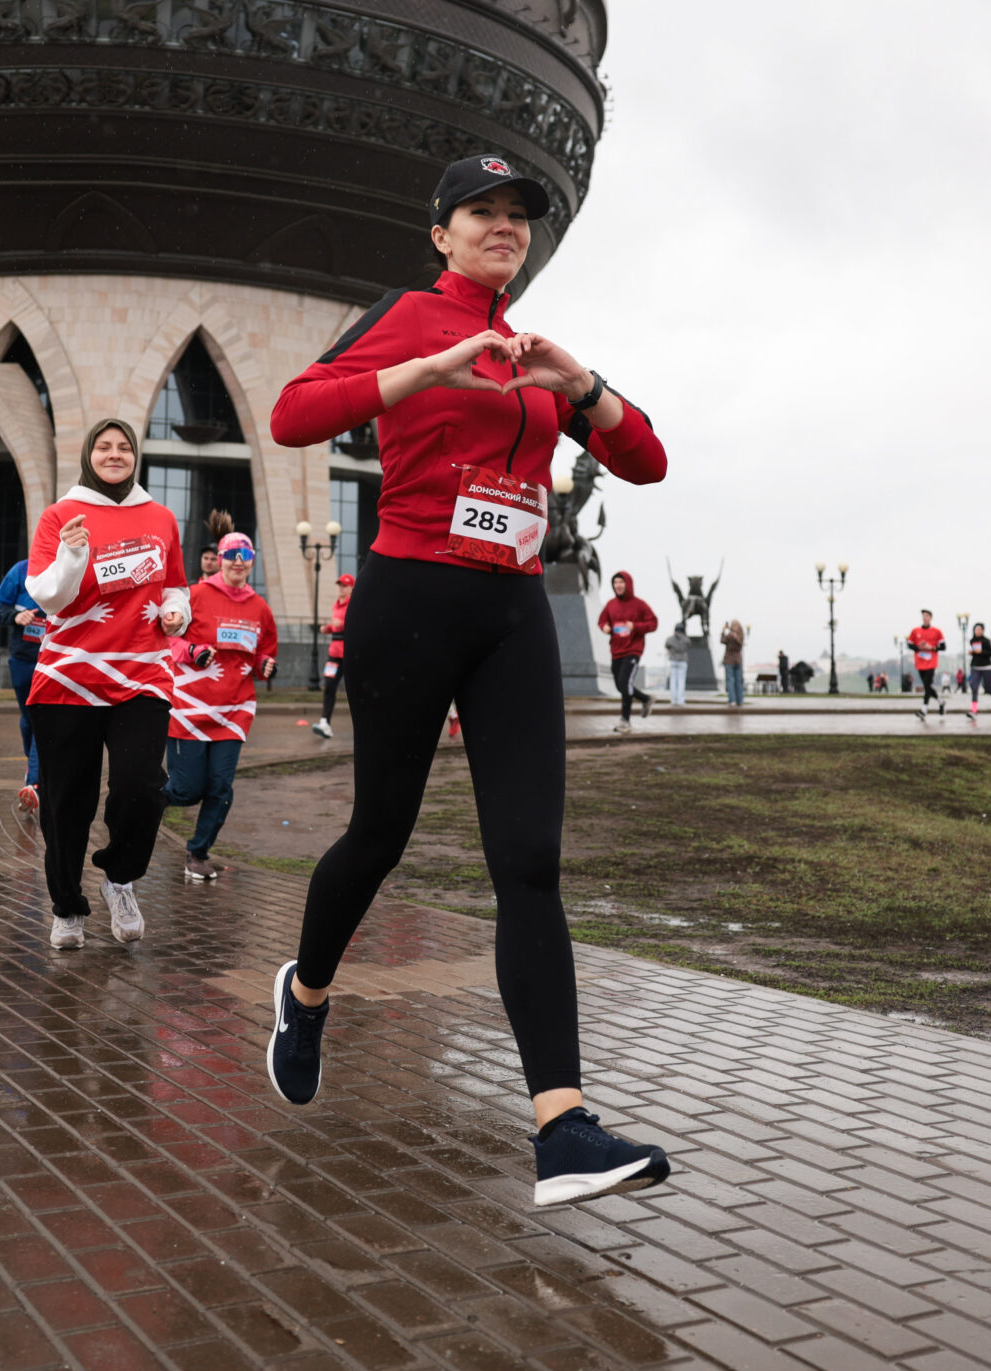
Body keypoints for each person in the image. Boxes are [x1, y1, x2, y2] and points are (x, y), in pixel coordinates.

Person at [261, 152, 674, 1205]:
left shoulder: (530, 352)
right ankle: (306, 995)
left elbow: (648, 462)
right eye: (480, 212)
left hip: (510, 612)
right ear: (439, 232)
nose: (503, 227)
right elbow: (293, 416)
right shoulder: (408, 316)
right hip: (410, 601)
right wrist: (429, 370)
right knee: (380, 835)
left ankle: (562, 1129)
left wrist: (578, 386)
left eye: (516, 216)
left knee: (528, 860)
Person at [25, 420, 191, 949]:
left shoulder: (160, 516)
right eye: (104, 447)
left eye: (123, 447)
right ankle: (67, 907)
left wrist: (175, 611)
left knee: (142, 787)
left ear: (134, 456)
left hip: (140, 673)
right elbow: (49, 598)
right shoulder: (59, 515)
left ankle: (120, 878)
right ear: (88, 455)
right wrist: (73, 554)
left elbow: (176, 585)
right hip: (68, 676)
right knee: (66, 801)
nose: (114, 455)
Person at [165, 531, 277, 882]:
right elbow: (167, 639)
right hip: (188, 708)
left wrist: (266, 665)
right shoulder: (195, 595)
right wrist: (192, 652)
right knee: (186, 790)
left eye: (246, 555)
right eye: (232, 555)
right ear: (221, 558)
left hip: (234, 710)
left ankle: (198, 854)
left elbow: (264, 653)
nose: (239, 562)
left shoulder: (259, 608)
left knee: (220, 789)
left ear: (252, 561)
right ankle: (141, 799)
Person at [0, 558, 47, 805]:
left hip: (56, 662)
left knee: (41, 716)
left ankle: (34, 782)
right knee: (29, 720)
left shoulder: (73, 568)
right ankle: (32, 765)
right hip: (23, 658)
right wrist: (16, 615)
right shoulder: (22, 570)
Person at [598, 572, 659, 730]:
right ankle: (646, 699)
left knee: (626, 683)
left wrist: (636, 627)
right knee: (620, 685)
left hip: (633, 650)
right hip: (616, 650)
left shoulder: (639, 605)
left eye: (621, 582)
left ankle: (625, 721)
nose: (618, 585)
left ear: (628, 584)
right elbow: (602, 620)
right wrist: (604, 626)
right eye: (615, 582)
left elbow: (653, 623)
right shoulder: (611, 604)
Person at [311, 572, 353, 738]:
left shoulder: (353, 604)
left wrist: (341, 624)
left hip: (349, 653)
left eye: (344, 585)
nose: (341, 588)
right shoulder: (336, 604)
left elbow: (354, 625)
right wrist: (327, 628)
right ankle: (324, 723)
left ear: (351, 588)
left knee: (355, 690)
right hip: (334, 653)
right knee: (329, 685)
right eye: (340, 585)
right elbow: (335, 626)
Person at [907, 610, 947, 720]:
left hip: (931, 662)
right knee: (927, 686)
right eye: (923, 616)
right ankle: (941, 702)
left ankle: (924, 710)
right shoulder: (915, 631)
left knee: (927, 685)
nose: (925, 618)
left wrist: (932, 648)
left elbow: (943, 647)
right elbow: (909, 645)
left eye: (927, 616)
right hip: (920, 662)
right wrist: (918, 647)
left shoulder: (937, 631)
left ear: (930, 618)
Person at [965, 621, 991, 721]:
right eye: (976, 629)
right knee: (974, 687)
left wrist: (981, 652)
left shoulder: (986, 641)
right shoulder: (972, 641)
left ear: (982, 631)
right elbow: (975, 652)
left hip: (986, 667)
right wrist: (972, 652)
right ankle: (973, 711)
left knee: (988, 688)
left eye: (979, 630)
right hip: (975, 667)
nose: (977, 631)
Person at [720, 618, 747, 707]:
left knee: (730, 681)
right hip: (738, 660)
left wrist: (724, 631)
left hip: (729, 660)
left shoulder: (730, 635)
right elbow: (741, 643)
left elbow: (722, 640)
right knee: (739, 681)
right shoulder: (741, 635)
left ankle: (732, 700)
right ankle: (740, 700)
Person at [664, 624, 691, 708]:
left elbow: (667, 645)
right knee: (681, 681)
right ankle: (680, 700)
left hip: (673, 660)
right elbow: (689, 645)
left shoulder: (670, 639)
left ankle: (673, 700)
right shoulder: (686, 639)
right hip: (682, 661)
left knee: (673, 680)